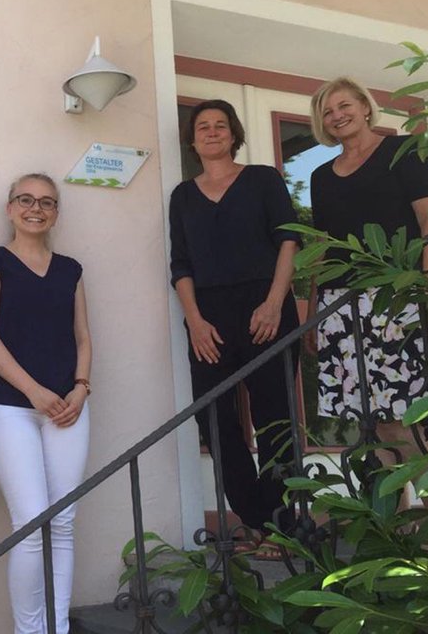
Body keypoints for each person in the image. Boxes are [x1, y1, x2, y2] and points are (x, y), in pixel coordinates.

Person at [168, 99, 300, 541]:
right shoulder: (183, 196)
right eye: (202, 127)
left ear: (234, 134)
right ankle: (256, 519)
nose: (211, 132)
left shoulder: (263, 179)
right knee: (214, 419)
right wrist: (194, 320)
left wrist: (274, 302)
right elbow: (181, 265)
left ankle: (282, 522)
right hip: (208, 319)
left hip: (266, 309)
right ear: (192, 140)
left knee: (274, 417)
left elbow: (288, 240)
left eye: (220, 125)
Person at [0, 173, 91, 634]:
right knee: (31, 523)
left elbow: (83, 337)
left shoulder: (70, 270)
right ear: (10, 208)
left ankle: (56, 628)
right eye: (25, 199)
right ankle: (29, 631)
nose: (35, 208)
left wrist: (81, 388)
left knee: (62, 523)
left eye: (46, 202)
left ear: (56, 213)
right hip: (10, 407)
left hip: (68, 409)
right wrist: (34, 391)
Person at [307, 78, 428, 451]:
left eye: (344, 105)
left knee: (409, 415)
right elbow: (323, 246)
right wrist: (315, 311)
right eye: (327, 112)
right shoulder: (320, 177)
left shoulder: (405, 151)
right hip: (341, 307)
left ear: (365, 107)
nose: (337, 116)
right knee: (370, 421)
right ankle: (389, 493)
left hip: (398, 296)